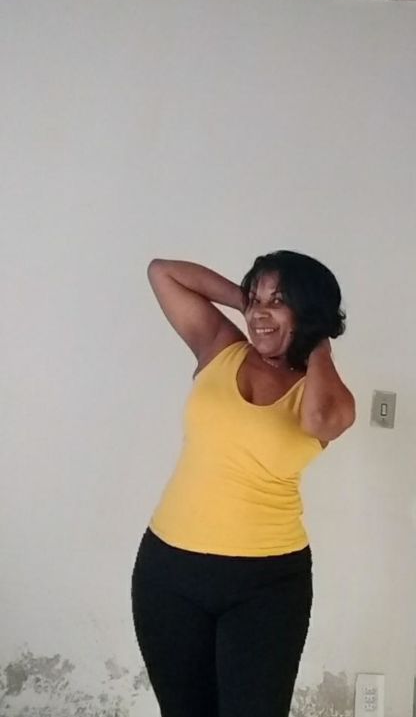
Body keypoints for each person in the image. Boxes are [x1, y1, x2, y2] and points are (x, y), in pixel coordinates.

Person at [131, 251, 355, 717]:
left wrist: (316, 341)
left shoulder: (326, 392)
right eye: (257, 298)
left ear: (309, 311)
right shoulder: (221, 346)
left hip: (266, 585)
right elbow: (162, 272)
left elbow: (318, 421)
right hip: (168, 573)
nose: (260, 313)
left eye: (279, 300)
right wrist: (249, 305)